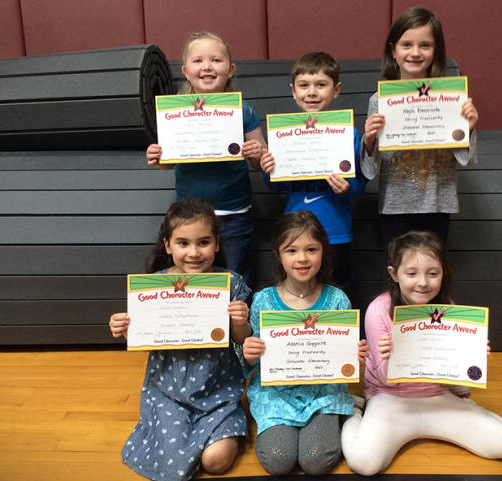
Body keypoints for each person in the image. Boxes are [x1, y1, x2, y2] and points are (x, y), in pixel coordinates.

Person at [341, 231, 502, 475]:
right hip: (390, 401)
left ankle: (474, 410)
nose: (423, 282)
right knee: (364, 463)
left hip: (437, 397)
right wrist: (390, 355)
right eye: (411, 273)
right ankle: (353, 413)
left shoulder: (449, 309)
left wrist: (471, 358)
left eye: (432, 273)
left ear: (443, 272)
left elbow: (458, 377)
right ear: (394, 274)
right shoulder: (378, 310)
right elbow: (383, 377)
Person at [108, 197, 252, 481]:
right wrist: (125, 327)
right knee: (171, 460)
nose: (194, 253)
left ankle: (221, 428)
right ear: (167, 246)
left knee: (217, 462)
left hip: (218, 390)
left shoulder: (230, 283)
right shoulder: (155, 284)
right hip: (168, 390)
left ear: (217, 244)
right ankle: (182, 434)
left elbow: (243, 342)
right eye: (183, 243)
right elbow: (145, 336)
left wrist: (240, 322)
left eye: (203, 242)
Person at [242, 210, 368, 475]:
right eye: (292, 250)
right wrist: (250, 352)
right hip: (276, 395)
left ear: (323, 252)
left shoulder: (337, 300)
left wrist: (354, 355)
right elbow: (251, 363)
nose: (302, 258)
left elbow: (344, 359)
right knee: (278, 460)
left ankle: (348, 410)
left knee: (315, 461)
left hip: (322, 394)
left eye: (311, 249)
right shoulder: (263, 301)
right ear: (278, 255)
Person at [146, 32, 267, 284]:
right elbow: (168, 162)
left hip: (234, 213)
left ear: (230, 69)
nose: (207, 67)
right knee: (193, 280)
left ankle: (237, 324)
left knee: (238, 278)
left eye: (216, 60)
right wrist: (158, 158)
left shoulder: (243, 110)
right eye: (198, 61)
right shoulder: (174, 112)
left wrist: (257, 152)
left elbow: (261, 160)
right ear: (186, 70)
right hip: (190, 217)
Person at [361, 7, 479, 246]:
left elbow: (466, 158)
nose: (415, 52)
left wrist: (469, 127)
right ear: (393, 51)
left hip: (437, 202)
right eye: (406, 45)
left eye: (425, 45)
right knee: (398, 274)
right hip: (395, 206)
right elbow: (369, 170)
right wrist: (370, 140)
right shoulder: (379, 101)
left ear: (436, 51)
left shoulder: (451, 97)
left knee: (433, 272)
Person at [259, 52, 368, 291]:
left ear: (336, 90)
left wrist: (348, 189)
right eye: (304, 85)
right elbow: (278, 185)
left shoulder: (347, 133)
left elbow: (360, 182)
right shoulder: (283, 135)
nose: (312, 92)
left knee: (339, 291)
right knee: (299, 291)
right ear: (293, 91)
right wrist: (268, 170)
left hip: (336, 233)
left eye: (321, 85)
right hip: (295, 233)